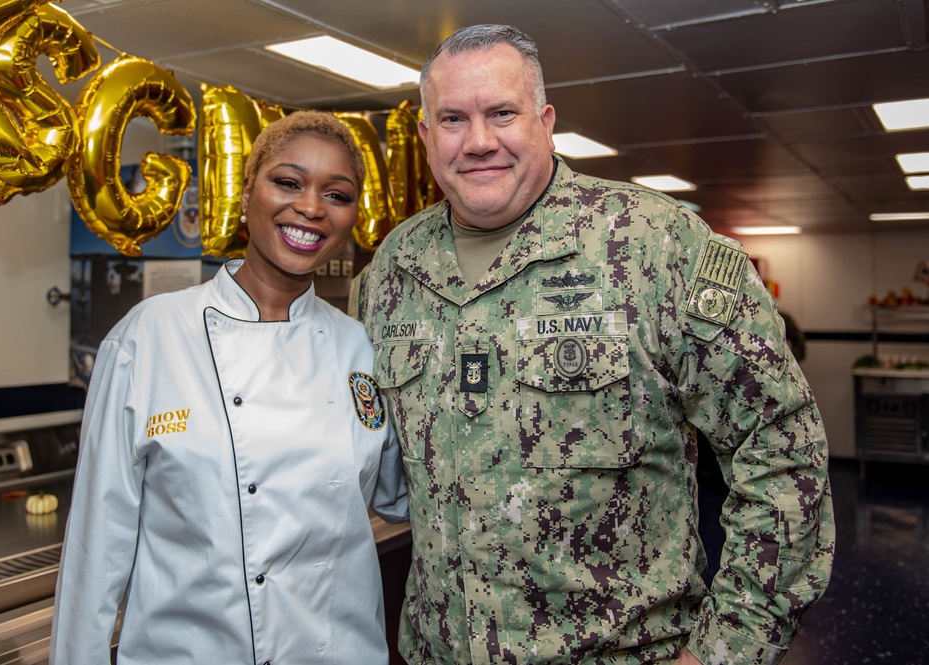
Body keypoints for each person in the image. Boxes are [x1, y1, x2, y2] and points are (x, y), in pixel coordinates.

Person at [351, 24, 833, 665]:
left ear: (545, 121)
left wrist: (726, 651)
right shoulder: (390, 270)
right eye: (452, 119)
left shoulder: (655, 245)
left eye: (502, 113)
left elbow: (782, 450)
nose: (479, 141)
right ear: (424, 135)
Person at [51, 110, 408, 664]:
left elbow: (401, 492)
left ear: (352, 216)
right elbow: (97, 544)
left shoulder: (358, 347)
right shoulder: (150, 338)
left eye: (336, 194)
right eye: (288, 182)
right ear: (245, 195)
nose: (311, 207)